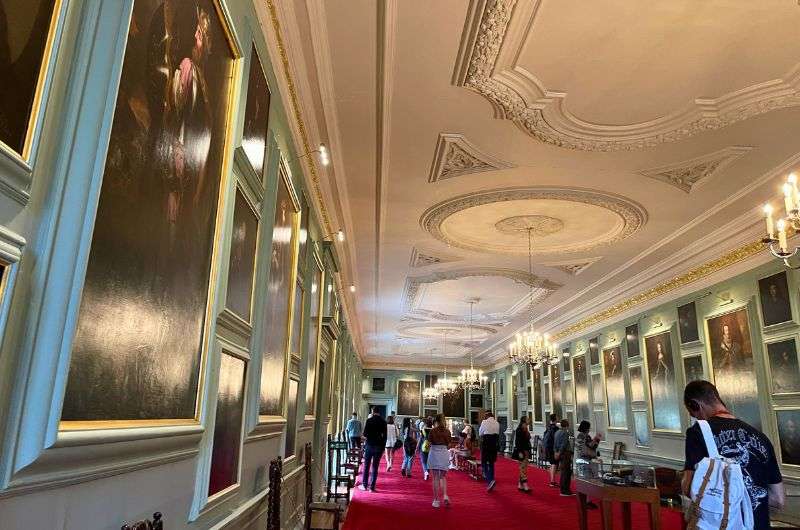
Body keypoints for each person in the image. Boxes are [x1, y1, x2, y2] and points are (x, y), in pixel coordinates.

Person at [682, 380, 785, 530]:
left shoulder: (698, 432)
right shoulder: (762, 438)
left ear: (695, 405)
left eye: (694, 414)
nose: (696, 418)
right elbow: (778, 499)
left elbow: (690, 487)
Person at [359, 407, 387, 492]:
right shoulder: (383, 422)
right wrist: (383, 448)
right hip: (379, 447)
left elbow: (365, 434)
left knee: (366, 466)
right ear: (379, 412)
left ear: (372, 411)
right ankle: (372, 487)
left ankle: (364, 485)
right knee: (375, 467)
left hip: (369, 445)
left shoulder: (369, 420)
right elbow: (385, 437)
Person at [427, 414, 452, 507]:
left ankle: (436, 500)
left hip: (434, 452)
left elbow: (428, 445)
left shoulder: (432, 431)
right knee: (443, 477)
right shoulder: (447, 431)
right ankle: (445, 495)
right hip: (444, 453)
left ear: (435, 421)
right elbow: (449, 445)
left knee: (435, 477)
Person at [479, 411, 500, 492]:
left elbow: (480, 433)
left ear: (486, 416)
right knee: (491, 463)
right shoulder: (497, 423)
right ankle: (492, 479)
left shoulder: (484, 422)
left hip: (486, 444)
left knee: (484, 463)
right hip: (494, 445)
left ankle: (489, 480)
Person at [553, 419, 573, 496]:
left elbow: (555, 444)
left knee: (563, 471)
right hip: (565, 454)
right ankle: (565, 490)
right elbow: (564, 444)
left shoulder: (557, 432)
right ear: (567, 426)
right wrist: (559, 452)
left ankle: (563, 489)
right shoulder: (565, 433)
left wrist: (556, 452)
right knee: (566, 472)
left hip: (559, 453)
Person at [513, 416, 532, 493]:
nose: (529, 420)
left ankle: (520, 484)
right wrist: (520, 452)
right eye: (528, 419)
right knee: (522, 468)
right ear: (524, 421)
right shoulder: (519, 430)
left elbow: (527, 439)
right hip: (522, 451)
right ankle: (525, 484)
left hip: (526, 450)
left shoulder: (525, 429)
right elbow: (518, 442)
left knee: (523, 467)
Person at [543, 413, 560, 487]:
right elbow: (556, 439)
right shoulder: (555, 428)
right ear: (555, 418)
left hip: (548, 448)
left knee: (552, 463)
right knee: (554, 463)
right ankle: (552, 481)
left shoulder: (548, 427)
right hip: (553, 448)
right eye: (557, 417)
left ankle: (552, 480)